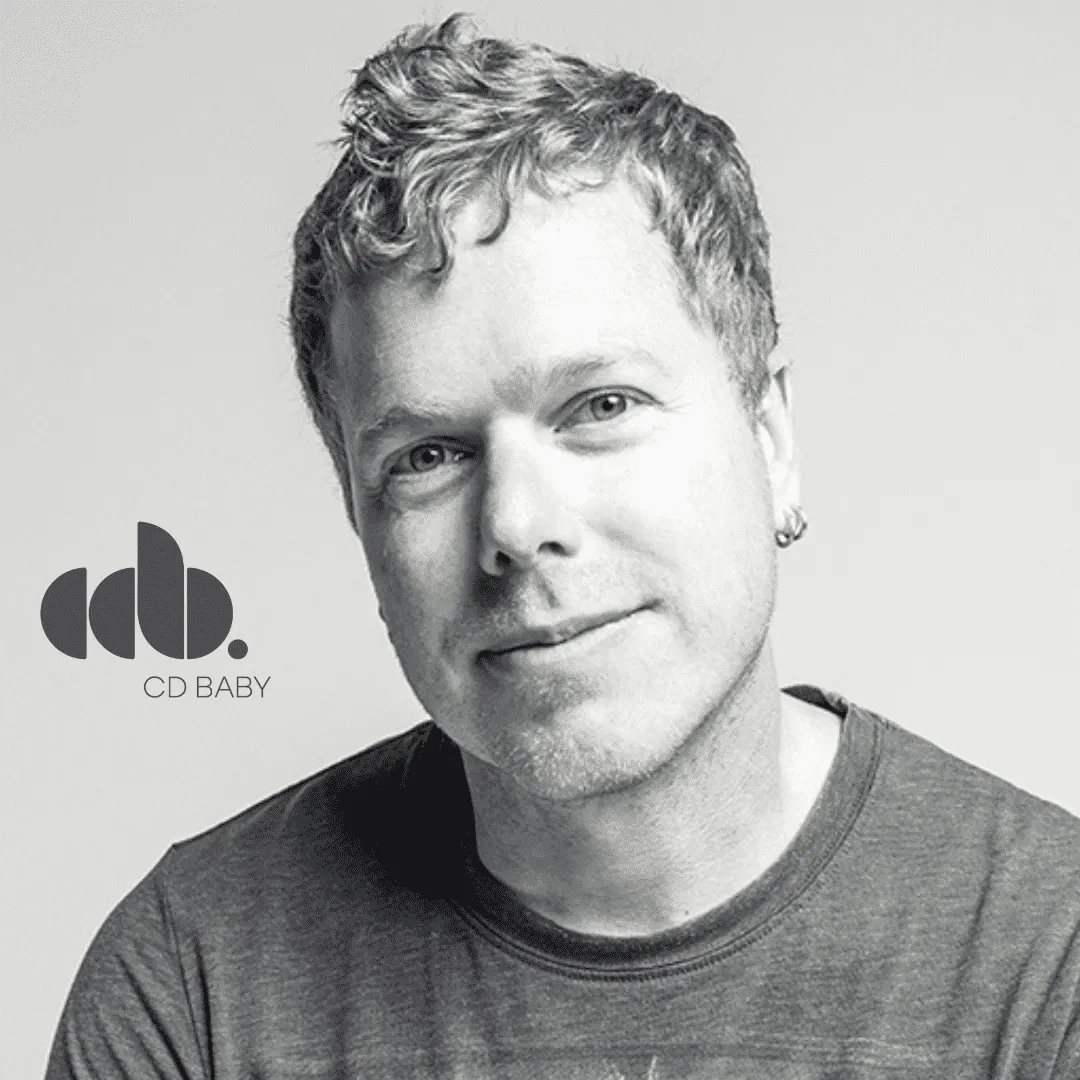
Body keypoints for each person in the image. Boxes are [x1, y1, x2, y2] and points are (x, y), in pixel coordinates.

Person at [46, 14, 1080, 1079]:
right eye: (428, 456)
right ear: (359, 519)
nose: (514, 525)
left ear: (770, 440)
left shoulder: (1050, 961)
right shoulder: (191, 985)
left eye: (600, 405)